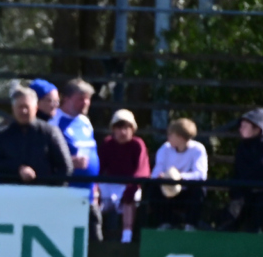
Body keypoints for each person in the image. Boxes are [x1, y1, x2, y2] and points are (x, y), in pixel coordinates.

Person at [0, 86, 72, 184]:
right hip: (11, 191)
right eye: (20, 107)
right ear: (13, 108)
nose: (24, 111)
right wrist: (18, 169)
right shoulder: (3, 135)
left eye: (27, 107)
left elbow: (66, 167)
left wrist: (51, 188)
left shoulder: (49, 132)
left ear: (36, 108)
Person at [51, 78, 102, 240]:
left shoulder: (85, 122)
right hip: (67, 198)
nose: (86, 103)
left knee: (96, 242)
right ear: (66, 99)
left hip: (90, 196)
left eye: (88, 99)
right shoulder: (55, 123)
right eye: (81, 98)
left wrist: (96, 187)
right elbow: (46, 159)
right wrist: (70, 162)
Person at [98, 109, 150, 243]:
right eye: (119, 127)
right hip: (110, 185)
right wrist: (95, 188)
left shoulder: (138, 144)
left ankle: (127, 237)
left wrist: (131, 188)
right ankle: (94, 233)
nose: (123, 131)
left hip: (129, 185)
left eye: (127, 127)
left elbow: (142, 171)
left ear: (133, 129)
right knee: (92, 197)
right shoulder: (107, 144)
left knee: (130, 200)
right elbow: (98, 169)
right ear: (113, 129)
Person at [150, 118, 208, 230]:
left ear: (180, 137)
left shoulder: (198, 149)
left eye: (171, 135)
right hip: (167, 191)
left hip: (187, 192)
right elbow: (155, 173)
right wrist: (163, 177)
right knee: (153, 188)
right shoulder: (165, 149)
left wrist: (178, 177)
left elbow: (200, 175)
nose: (168, 137)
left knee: (199, 189)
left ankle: (190, 225)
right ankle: (164, 223)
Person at [225, 108, 263, 232]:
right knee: (229, 218)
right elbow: (238, 170)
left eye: (245, 126)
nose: (240, 129)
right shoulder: (242, 147)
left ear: (257, 128)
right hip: (244, 193)